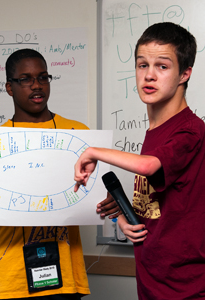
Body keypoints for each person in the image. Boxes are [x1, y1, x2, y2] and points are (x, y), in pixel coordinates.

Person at [0, 49, 120, 300]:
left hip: (64, 275)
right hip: (9, 276)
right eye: (25, 79)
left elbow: (96, 196)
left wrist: (108, 202)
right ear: (9, 87)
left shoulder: (79, 134)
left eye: (43, 77)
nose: (36, 85)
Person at [74, 22, 205, 299]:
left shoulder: (190, 130)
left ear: (185, 73)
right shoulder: (155, 132)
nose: (149, 76)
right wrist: (124, 218)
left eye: (162, 66)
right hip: (150, 279)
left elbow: (148, 167)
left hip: (187, 287)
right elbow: (160, 207)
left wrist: (93, 151)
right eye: (142, 65)